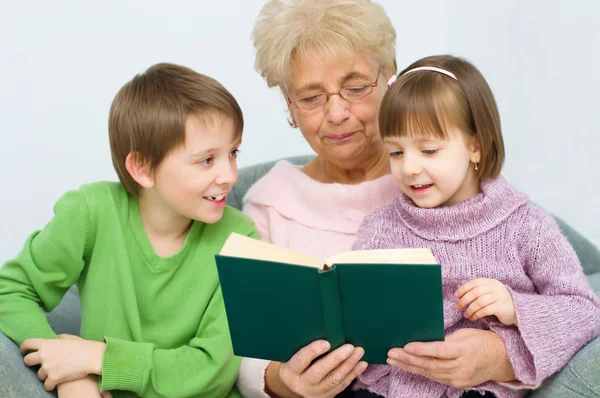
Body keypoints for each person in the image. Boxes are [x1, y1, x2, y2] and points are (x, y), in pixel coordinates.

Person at [236, 1, 600, 398]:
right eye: (310, 97)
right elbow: (244, 340)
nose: (337, 112)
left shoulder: (477, 196)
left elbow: (581, 293)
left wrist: (502, 349)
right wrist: (283, 381)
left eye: (355, 87)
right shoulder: (277, 205)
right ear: (289, 105)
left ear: (390, 77)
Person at [0, 63, 257, 398]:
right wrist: (67, 369)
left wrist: (97, 360)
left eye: (233, 152)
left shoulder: (240, 238)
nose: (229, 175)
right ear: (143, 168)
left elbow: (212, 372)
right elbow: (12, 291)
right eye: (206, 160)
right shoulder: (91, 212)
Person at [351, 54, 600, 397]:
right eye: (396, 153)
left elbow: (584, 310)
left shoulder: (525, 226)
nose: (408, 168)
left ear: (475, 146)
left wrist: (516, 307)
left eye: (429, 150)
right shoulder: (381, 230)